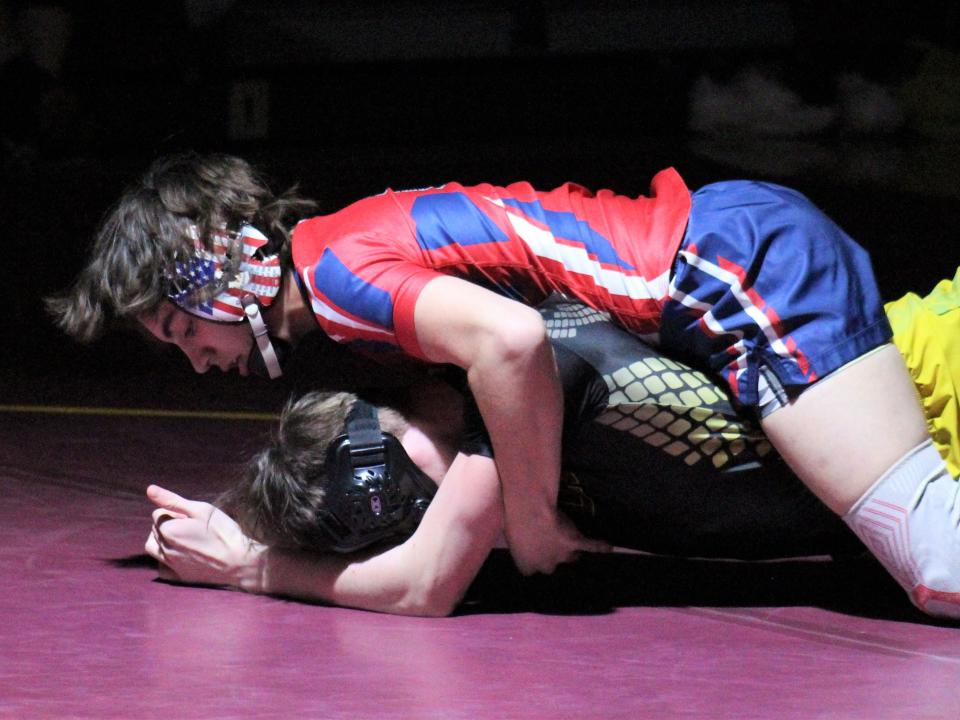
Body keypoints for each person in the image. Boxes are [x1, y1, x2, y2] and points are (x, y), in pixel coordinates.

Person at [48, 153, 959, 616]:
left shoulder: (334, 270)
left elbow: (515, 343)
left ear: (229, 266)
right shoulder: (352, 301)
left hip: (727, 271)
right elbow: (435, 561)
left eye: (182, 332)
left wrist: (529, 519)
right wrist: (248, 548)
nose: (199, 361)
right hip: (717, 280)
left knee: (935, 565)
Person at [145, 299, 858, 616]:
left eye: (396, 493)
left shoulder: (531, 376)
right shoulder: (499, 468)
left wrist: (247, 566)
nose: (424, 518)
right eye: (393, 526)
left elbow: (423, 588)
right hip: (860, 524)